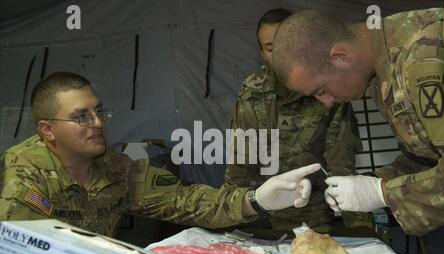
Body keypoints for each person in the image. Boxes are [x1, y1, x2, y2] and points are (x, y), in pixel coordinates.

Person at [0, 72, 321, 238]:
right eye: (81, 116)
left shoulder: (113, 167)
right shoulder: (23, 176)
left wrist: (257, 199)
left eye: (98, 112)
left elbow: (185, 200)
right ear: (47, 130)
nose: (97, 123)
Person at [271, 8, 444, 236]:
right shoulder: (381, 68)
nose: (326, 102)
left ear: (340, 56)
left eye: (321, 90)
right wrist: (369, 183)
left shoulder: (422, 58)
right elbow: (429, 158)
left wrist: (382, 193)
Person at [225, 8, 363, 237]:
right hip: (260, 212)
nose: (279, 54)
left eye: (284, 44)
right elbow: (240, 161)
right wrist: (232, 215)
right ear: (261, 53)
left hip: (310, 214)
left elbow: (342, 164)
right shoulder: (253, 90)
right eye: (270, 48)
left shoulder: (327, 89)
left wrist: (359, 225)